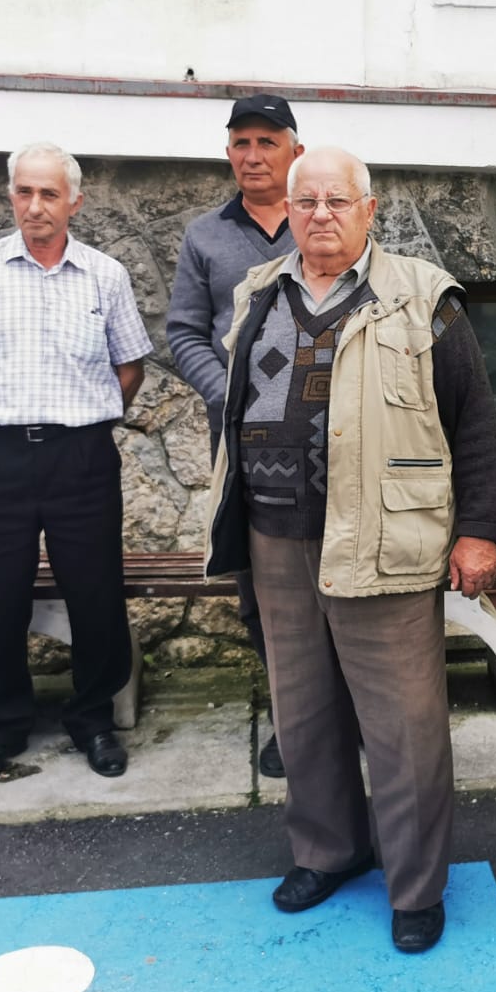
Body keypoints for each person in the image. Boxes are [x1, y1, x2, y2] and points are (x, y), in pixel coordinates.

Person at [205, 146, 496, 954]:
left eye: (338, 200)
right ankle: (328, 851)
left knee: (404, 726)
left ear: (369, 210)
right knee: (303, 715)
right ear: (288, 211)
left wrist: (477, 531)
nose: (321, 215)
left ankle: (416, 888)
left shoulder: (423, 296)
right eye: (306, 202)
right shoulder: (259, 292)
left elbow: (475, 422)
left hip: (383, 539)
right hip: (277, 538)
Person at [0, 143, 153, 785]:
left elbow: (129, 366)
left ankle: (93, 721)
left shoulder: (105, 276)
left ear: (74, 202)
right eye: (25, 192)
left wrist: (81, 418)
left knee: (95, 594)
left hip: (80, 456)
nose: (35, 206)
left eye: (49, 194)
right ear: (11, 197)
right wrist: (3, 411)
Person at [167, 94, 304, 778]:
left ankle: (341, 713)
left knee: (329, 577)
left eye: (267, 142)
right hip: (242, 446)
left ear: (295, 152)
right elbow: (184, 333)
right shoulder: (205, 237)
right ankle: (292, 720)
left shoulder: (323, 218)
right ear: (229, 154)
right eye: (241, 143)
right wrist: (230, 398)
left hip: (324, 436)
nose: (253, 155)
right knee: (260, 587)